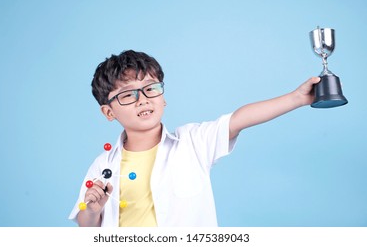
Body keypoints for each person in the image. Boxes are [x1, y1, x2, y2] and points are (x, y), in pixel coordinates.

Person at [68, 50, 320, 227]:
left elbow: (240, 119)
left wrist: (296, 98)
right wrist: (92, 210)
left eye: (150, 88)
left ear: (162, 98)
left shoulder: (193, 142)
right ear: (109, 112)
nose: (142, 98)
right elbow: (87, 226)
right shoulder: (103, 165)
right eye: (128, 95)